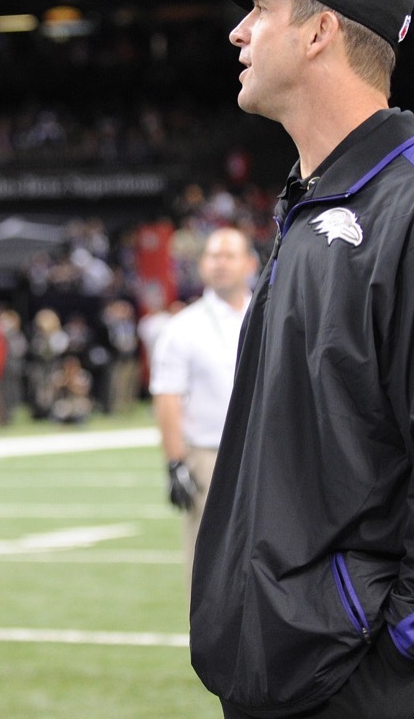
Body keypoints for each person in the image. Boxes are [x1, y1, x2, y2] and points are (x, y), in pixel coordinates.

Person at [192, 0, 414, 719]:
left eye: (260, 10)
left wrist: (405, 655)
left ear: (319, 30)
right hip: (280, 669)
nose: (238, 31)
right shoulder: (316, 205)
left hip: (357, 680)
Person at [149, 226, 257, 593]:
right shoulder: (183, 326)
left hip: (266, 453)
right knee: (209, 564)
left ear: (250, 263)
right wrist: (176, 461)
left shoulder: (269, 314)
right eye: (213, 256)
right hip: (209, 456)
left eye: (229, 255)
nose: (220, 263)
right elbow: (167, 397)